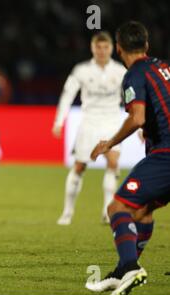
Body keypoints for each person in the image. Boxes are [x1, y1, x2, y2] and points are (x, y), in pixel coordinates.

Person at [87, 21, 170, 295]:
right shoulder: (163, 67)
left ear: (119, 48)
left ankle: (130, 268)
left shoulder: (135, 73)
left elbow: (137, 117)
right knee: (142, 210)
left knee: (118, 206)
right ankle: (124, 269)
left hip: (166, 154)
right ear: (146, 45)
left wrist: (109, 143)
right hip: (162, 150)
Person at [53, 31, 127, 225]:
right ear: (92, 48)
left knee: (113, 163)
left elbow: (130, 98)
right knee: (79, 166)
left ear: (112, 48)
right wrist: (59, 121)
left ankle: (106, 211)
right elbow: (67, 95)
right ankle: (67, 212)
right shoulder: (81, 70)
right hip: (89, 122)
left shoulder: (120, 71)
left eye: (105, 47)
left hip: (112, 121)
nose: (102, 51)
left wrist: (141, 125)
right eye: (98, 47)